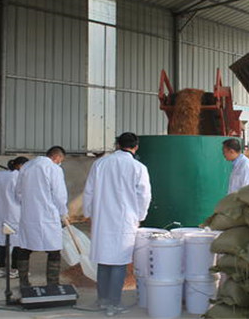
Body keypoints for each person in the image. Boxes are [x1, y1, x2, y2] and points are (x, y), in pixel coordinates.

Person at [83, 132, 152, 316]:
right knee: (119, 262)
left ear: (117, 145)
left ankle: (102, 299)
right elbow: (144, 195)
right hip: (124, 221)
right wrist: (140, 216)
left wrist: (89, 213)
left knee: (104, 260)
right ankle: (114, 303)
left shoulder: (100, 164)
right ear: (136, 147)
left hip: (102, 220)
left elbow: (88, 191)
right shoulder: (138, 167)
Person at [15, 146, 68, 288]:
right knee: (54, 250)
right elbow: (59, 195)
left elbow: (18, 192)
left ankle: (23, 282)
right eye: (61, 160)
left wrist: (27, 204)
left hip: (28, 215)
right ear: (57, 157)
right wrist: (63, 213)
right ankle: (52, 283)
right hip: (48, 216)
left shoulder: (26, 167)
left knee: (25, 248)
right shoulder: (54, 169)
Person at [0, 156, 29, 279]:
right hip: (15, 214)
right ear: (20, 166)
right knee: (17, 242)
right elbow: (21, 196)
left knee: (2, 242)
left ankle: (1, 269)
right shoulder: (19, 177)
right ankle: (14, 269)